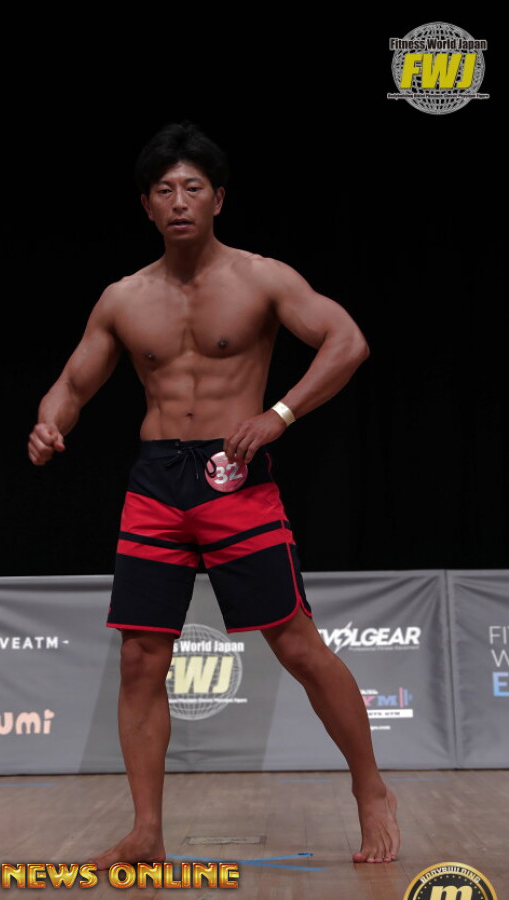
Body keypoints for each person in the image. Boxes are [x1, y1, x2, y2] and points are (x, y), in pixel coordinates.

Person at [27, 121, 400, 866]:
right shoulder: (123, 297)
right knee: (141, 659)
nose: (179, 201)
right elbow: (72, 383)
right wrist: (49, 423)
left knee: (296, 643)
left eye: (192, 187)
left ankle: (370, 788)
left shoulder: (262, 279)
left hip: (235, 475)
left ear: (218, 198)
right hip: (156, 483)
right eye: (164, 190)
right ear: (146, 205)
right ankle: (146, 832)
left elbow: (348, 342)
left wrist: (279, 414)